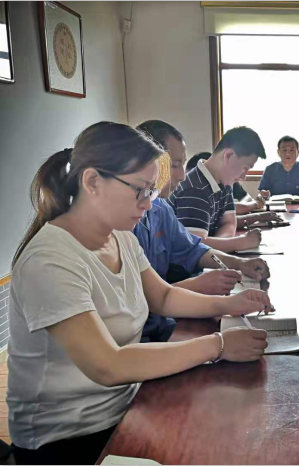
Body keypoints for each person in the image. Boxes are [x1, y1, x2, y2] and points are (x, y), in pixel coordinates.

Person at [7, 122, 273, 464]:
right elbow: (108, 365)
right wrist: (218, 345)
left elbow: (163, 297)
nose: (148, 205)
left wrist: (230, 303)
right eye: (141, 191)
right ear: (92, 182)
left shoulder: (121, 237)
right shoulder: (50, 259)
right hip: (67, 437)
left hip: (128, 404)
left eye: (151, 192)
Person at [134, 122, 272, 342]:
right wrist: (198, 286)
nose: (182, 175)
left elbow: (194, 248)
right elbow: (137, 300)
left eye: (182, 164)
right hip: (144, 334)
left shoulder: (160, 208)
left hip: (165, 323)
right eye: (175, 165)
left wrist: (239, 264)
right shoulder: (124, 223)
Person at [168, 126, 266, 253]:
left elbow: (229, 223)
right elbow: (194, 247)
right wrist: (242, 242)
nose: (244, 176)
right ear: (228, 155)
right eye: (245, 168)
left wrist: (221, 245)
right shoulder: (195, 189)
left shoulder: (225, 183)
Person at [187, 152, 281, 228]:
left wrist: (245, 209)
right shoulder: (194, 194)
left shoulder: (225, 181)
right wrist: (253, 206)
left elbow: (243, 200)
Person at [187, 152, 266, 215]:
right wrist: (254, 204)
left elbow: (245, 197)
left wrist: (242, 206)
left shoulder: (226, 180)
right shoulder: (194, 191)